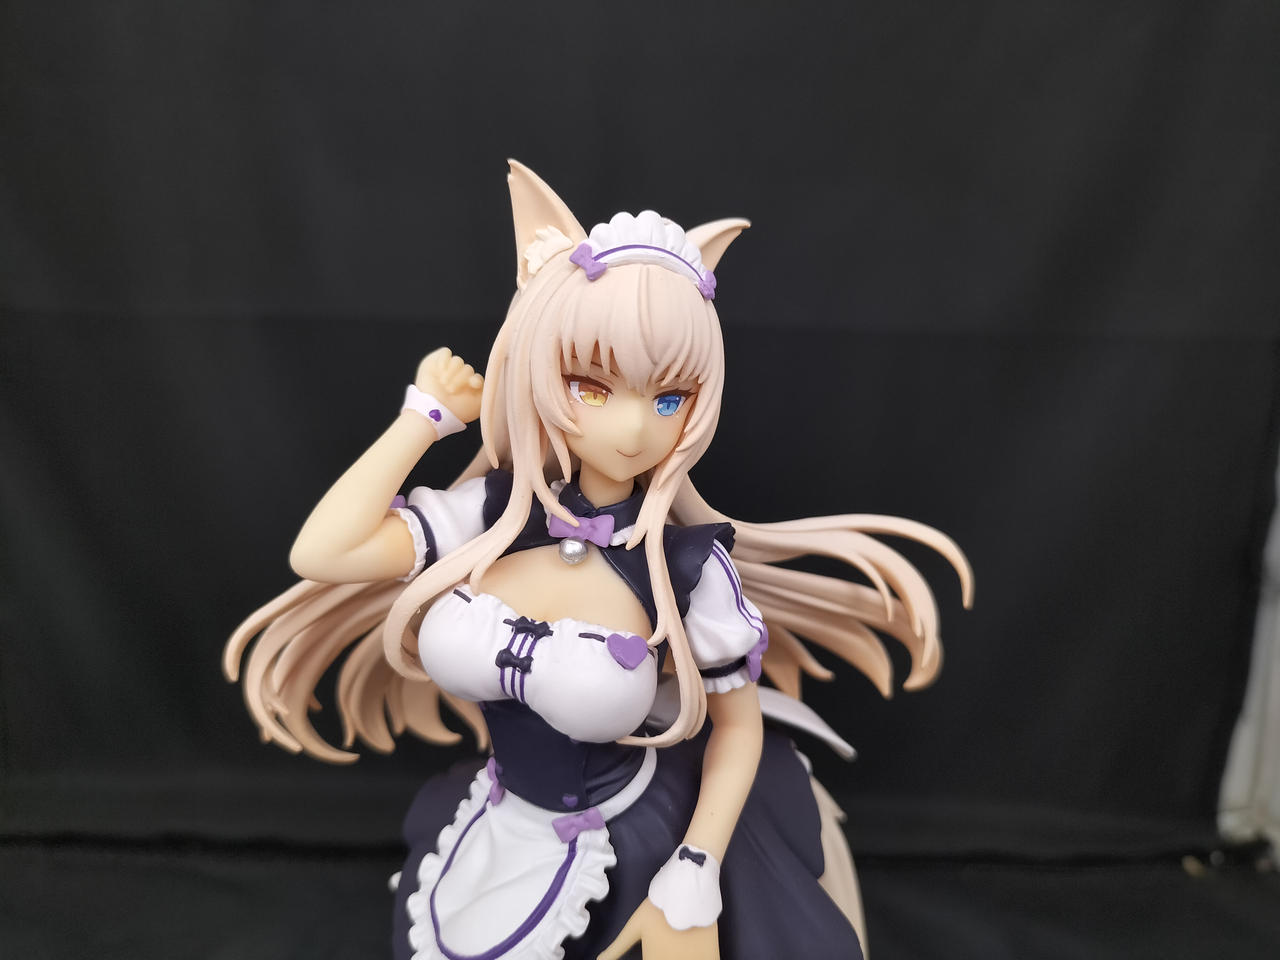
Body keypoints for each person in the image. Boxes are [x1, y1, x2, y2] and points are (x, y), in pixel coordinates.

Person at [225, 161, 972, 959]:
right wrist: (424, 417)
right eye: (591, 387)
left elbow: (737, 729)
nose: (633, 429)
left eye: (668, 399)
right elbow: (324, 551)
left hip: (631, 844)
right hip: (498, 826)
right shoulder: (491, 515)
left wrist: (695, 866)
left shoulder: (687, 569)